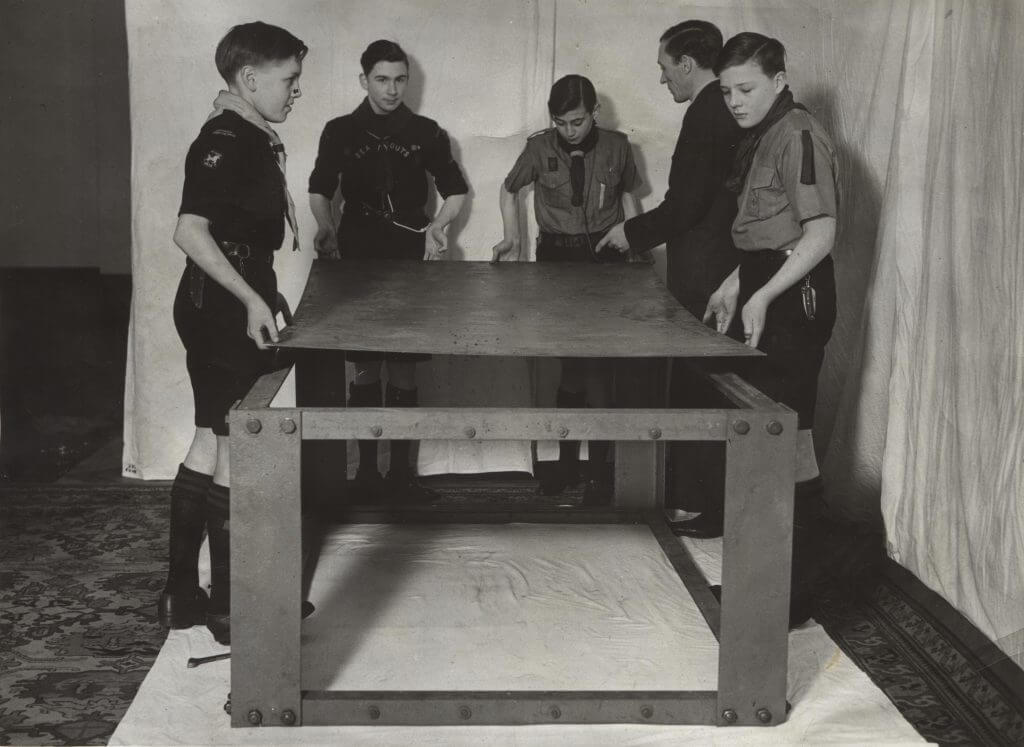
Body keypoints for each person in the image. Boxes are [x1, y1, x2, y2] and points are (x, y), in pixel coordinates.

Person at [160, 22, 313, 645]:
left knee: (209, 438)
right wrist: (253, 298)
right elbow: (190, 232)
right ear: (250, 80)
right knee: (232, 446)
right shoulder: (226, 138)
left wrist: (264, 289)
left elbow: (239, 235)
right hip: (221, 310)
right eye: (289, 80)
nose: (296, 91)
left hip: (219, 303)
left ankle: (180, 595)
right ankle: (230, 607)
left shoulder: (246, 133)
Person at [704, 32, 839, 626]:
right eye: (727, 90)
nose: (734, 100)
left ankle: (791, 598)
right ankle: (770, 590)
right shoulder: (764, 132)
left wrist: (762, 292)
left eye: (746, 88)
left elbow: (820, 233)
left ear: (780, 80)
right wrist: (738, 282)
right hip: (769, 284)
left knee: (788, 443)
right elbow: (770, 228)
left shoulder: (799, 133)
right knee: (770, 440)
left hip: (794, 297)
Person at [595, 20, 742, 532]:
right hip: (712, 266)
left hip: (704, 274)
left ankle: (703, 506)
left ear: (686, 64)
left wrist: (628, 234)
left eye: (664, 68)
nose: (663, 80)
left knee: (700, 388)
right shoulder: (720, 109)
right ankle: (706, 503)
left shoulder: (707, 114)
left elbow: (685, 205)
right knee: (702, 386)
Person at [308, 40, 468, 502]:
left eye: (400, 79)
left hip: (409, 255)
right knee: (362, 366)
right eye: (382, 79)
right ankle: (365, 477)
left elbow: (455, 191)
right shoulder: (339, 130)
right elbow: (320, 190)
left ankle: (401, 477)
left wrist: (438, 226)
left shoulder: (427, 132)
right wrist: (327, 227)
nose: (392, 89)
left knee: (402, 367)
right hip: (356, 255)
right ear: (364, 80)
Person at [492, 74, 643, 504]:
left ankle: (598, 472)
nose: (568, 130)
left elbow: (629, 197)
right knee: (569, 366)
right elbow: (509, 189)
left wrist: (636, 243)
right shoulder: (539, 147)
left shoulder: (617, 146)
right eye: (560, 122)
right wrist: (512, 236)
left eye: (576, 121)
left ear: (594, 112)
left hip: (605, 259)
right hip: (557, 262)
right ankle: (565, 463)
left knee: (599, 366)